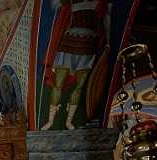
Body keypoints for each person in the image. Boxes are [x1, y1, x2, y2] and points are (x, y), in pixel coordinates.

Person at [39, 0, 109, 131]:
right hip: (69, 43)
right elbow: (54, 5)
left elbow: (106, 19)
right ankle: (50, 121)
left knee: (79, 87)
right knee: (58, 85)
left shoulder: (101, 2)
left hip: (88, 46)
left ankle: (69, 121)